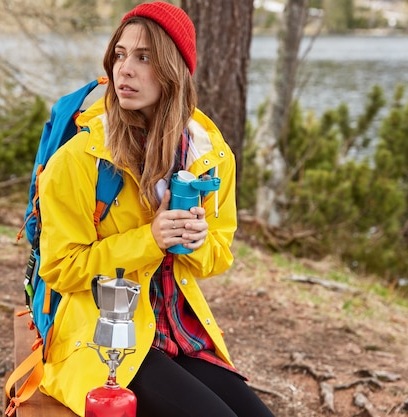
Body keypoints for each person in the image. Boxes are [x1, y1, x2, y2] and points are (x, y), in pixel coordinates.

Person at [36, 2, 276, 417]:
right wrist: (150, 240)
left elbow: (216, 258)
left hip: (177, 331)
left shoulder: (208, 156)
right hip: (102, 337)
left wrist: (195, 241)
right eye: (120, 54)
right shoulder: (79, 160)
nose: (124, 70)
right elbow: (60, 267)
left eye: (144, 57)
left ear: (174, 70)